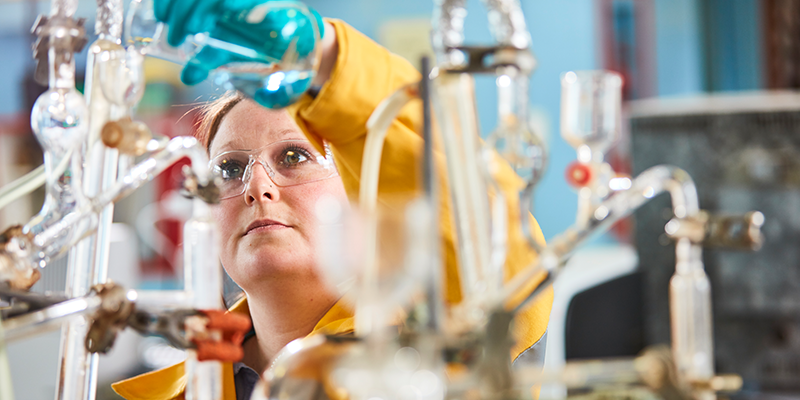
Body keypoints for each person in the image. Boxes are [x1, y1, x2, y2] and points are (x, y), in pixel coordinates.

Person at [112, 6, 553, 400]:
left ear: (359, 189)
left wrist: (323, 61)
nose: (257, 188)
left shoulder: (431, 354)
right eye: (229, 168)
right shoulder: (178, 392)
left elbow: (499, 255)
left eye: (293, 156)